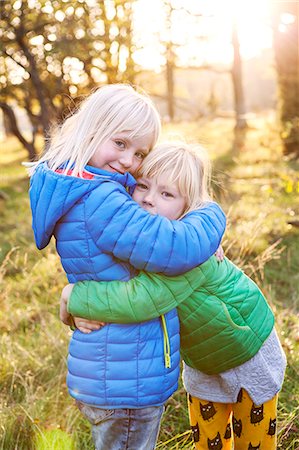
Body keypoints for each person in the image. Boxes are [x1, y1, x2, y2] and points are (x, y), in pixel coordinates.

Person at [28, 84, 226, 450]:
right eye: (120, 144)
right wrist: (208, 213)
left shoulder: (83, 186)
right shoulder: (100, 199)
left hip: (111, 367)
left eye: (140, 153)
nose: (129, 162)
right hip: (127, 375)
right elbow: (173, 248)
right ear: (91, 129)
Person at [61, 141, 287, 450]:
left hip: (247, 351)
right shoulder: (150, 236)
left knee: (254, 442)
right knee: (209, 441)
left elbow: (142, 298)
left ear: (188, 208)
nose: (150, 200)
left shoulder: (186, 254)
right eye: (143, 186)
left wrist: (76, 297)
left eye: (167, 194)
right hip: (202, 360)